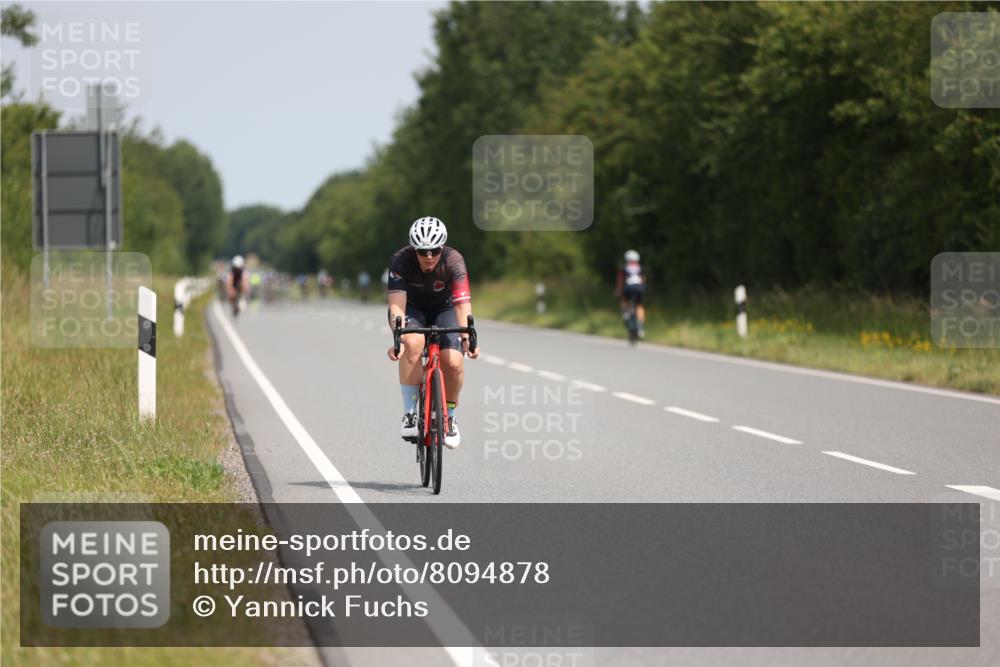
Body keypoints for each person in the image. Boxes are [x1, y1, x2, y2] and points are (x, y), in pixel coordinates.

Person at [386, 217, 479, 449]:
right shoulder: (400, 260)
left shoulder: (454, 260)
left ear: (442, 248)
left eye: (434, 250)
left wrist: (467, 339)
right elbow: (396, 305)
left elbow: (461, 305)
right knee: (414, 343)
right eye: (423, 251)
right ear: (414, 249)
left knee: (454, 362)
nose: (429, 256)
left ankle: (449, 416)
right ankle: (409, 413)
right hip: (412, 308)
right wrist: (399, 337)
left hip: (446, 308)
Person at [615, 249, 646, 338]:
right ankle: (640, 327)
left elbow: (620, 281)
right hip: (639, 289)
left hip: (628, 288)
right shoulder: (640, 267)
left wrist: (617, 291)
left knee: (624, 300)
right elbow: (643, 279)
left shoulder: (624, 267)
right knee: (639, 306)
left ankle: (625, 313)